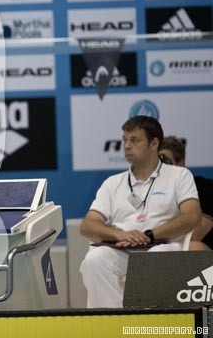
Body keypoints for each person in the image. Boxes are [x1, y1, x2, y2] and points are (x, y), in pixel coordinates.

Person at [79, 116, 201, 308]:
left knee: (155, 257)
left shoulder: (179, 175)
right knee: (94, 260)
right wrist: (119, 234)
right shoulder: (113, 183)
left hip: (164, 246)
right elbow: (88, 225)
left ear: (154, 144)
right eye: (125, 140)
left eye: (135, 140)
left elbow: (192, 216)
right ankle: (112, 321)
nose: (127, 146)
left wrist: (150, 235)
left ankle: (146, 321)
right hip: (122, 249)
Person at [159, 135, 213, 250]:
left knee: (192, 246)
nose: (160, 169)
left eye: (165, 162)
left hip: (202, 250)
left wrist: (153, 235)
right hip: (162, 249)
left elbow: (195, 235)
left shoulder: (205, 187)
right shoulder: (150, 193)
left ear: (180, 164)